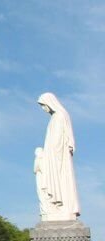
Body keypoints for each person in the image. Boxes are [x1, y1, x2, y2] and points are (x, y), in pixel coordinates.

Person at [37, 92, 80, 220]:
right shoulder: (57, 116)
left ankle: (61, 206)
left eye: (43, 105)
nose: (43, 109)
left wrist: (48, 156)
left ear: (50, 103)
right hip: (54, 156)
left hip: (57, 157)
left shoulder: (59, 116)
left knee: (60, 182)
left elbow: (57, 141)